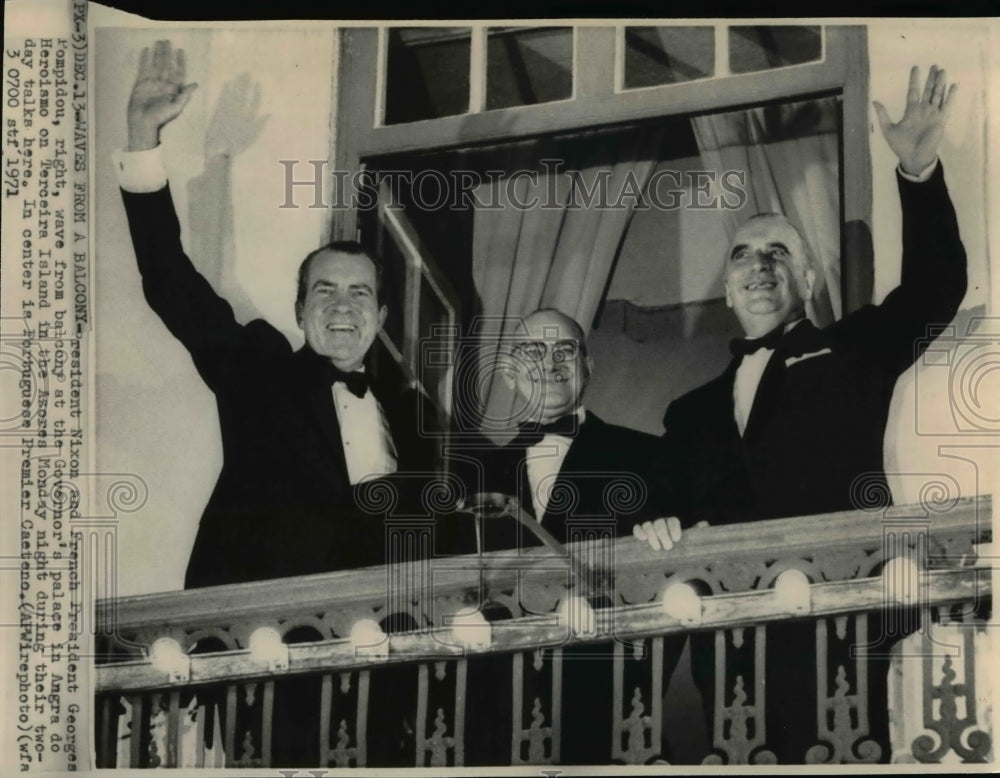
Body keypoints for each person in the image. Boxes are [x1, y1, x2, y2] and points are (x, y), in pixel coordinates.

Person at [115, 40, 439, 767]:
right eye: (325, 290)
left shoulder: (420, 422)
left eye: (360, 293)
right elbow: (174, 286)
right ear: (299, 310)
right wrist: (144, 142)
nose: (343, 305)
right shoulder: (260, 374)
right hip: (265, 653)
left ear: (382, 317)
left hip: (393, 669)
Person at [634, 65, 966, 763]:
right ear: (727, 286)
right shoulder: (688, 414)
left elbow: (936, 285)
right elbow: (666, 508)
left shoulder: (850, 352)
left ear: (808, 280)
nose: (760, 266)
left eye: (779, 252)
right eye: (743, 255)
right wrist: (656, 521)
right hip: (730, 655)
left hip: (839, 636)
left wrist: (918, 169)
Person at [457, 308, 682, 765]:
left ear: (587, 367)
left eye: (565, 349)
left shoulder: (650, 456)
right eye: (533, 351)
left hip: (613, 718)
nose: (550, 360)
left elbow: (677, 585)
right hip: (496, 730)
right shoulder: (474, 478)